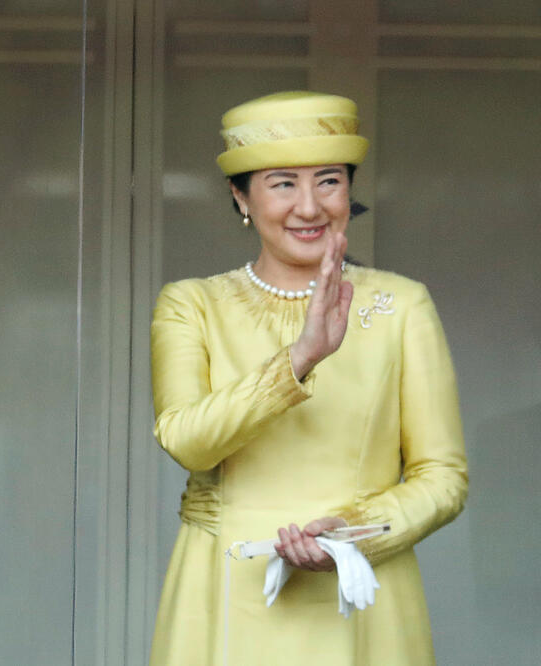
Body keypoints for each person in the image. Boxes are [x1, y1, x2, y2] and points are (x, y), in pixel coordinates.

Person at [148, 91, 467, 664]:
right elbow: (188, 443)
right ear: (240, 196)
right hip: (225, 587)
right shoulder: (190, 304)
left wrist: (354, 534)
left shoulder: (403, 304)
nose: (309, 206)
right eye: (282, 184)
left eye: (328, 181)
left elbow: (442, 477)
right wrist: (299, 358)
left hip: (362, 592)